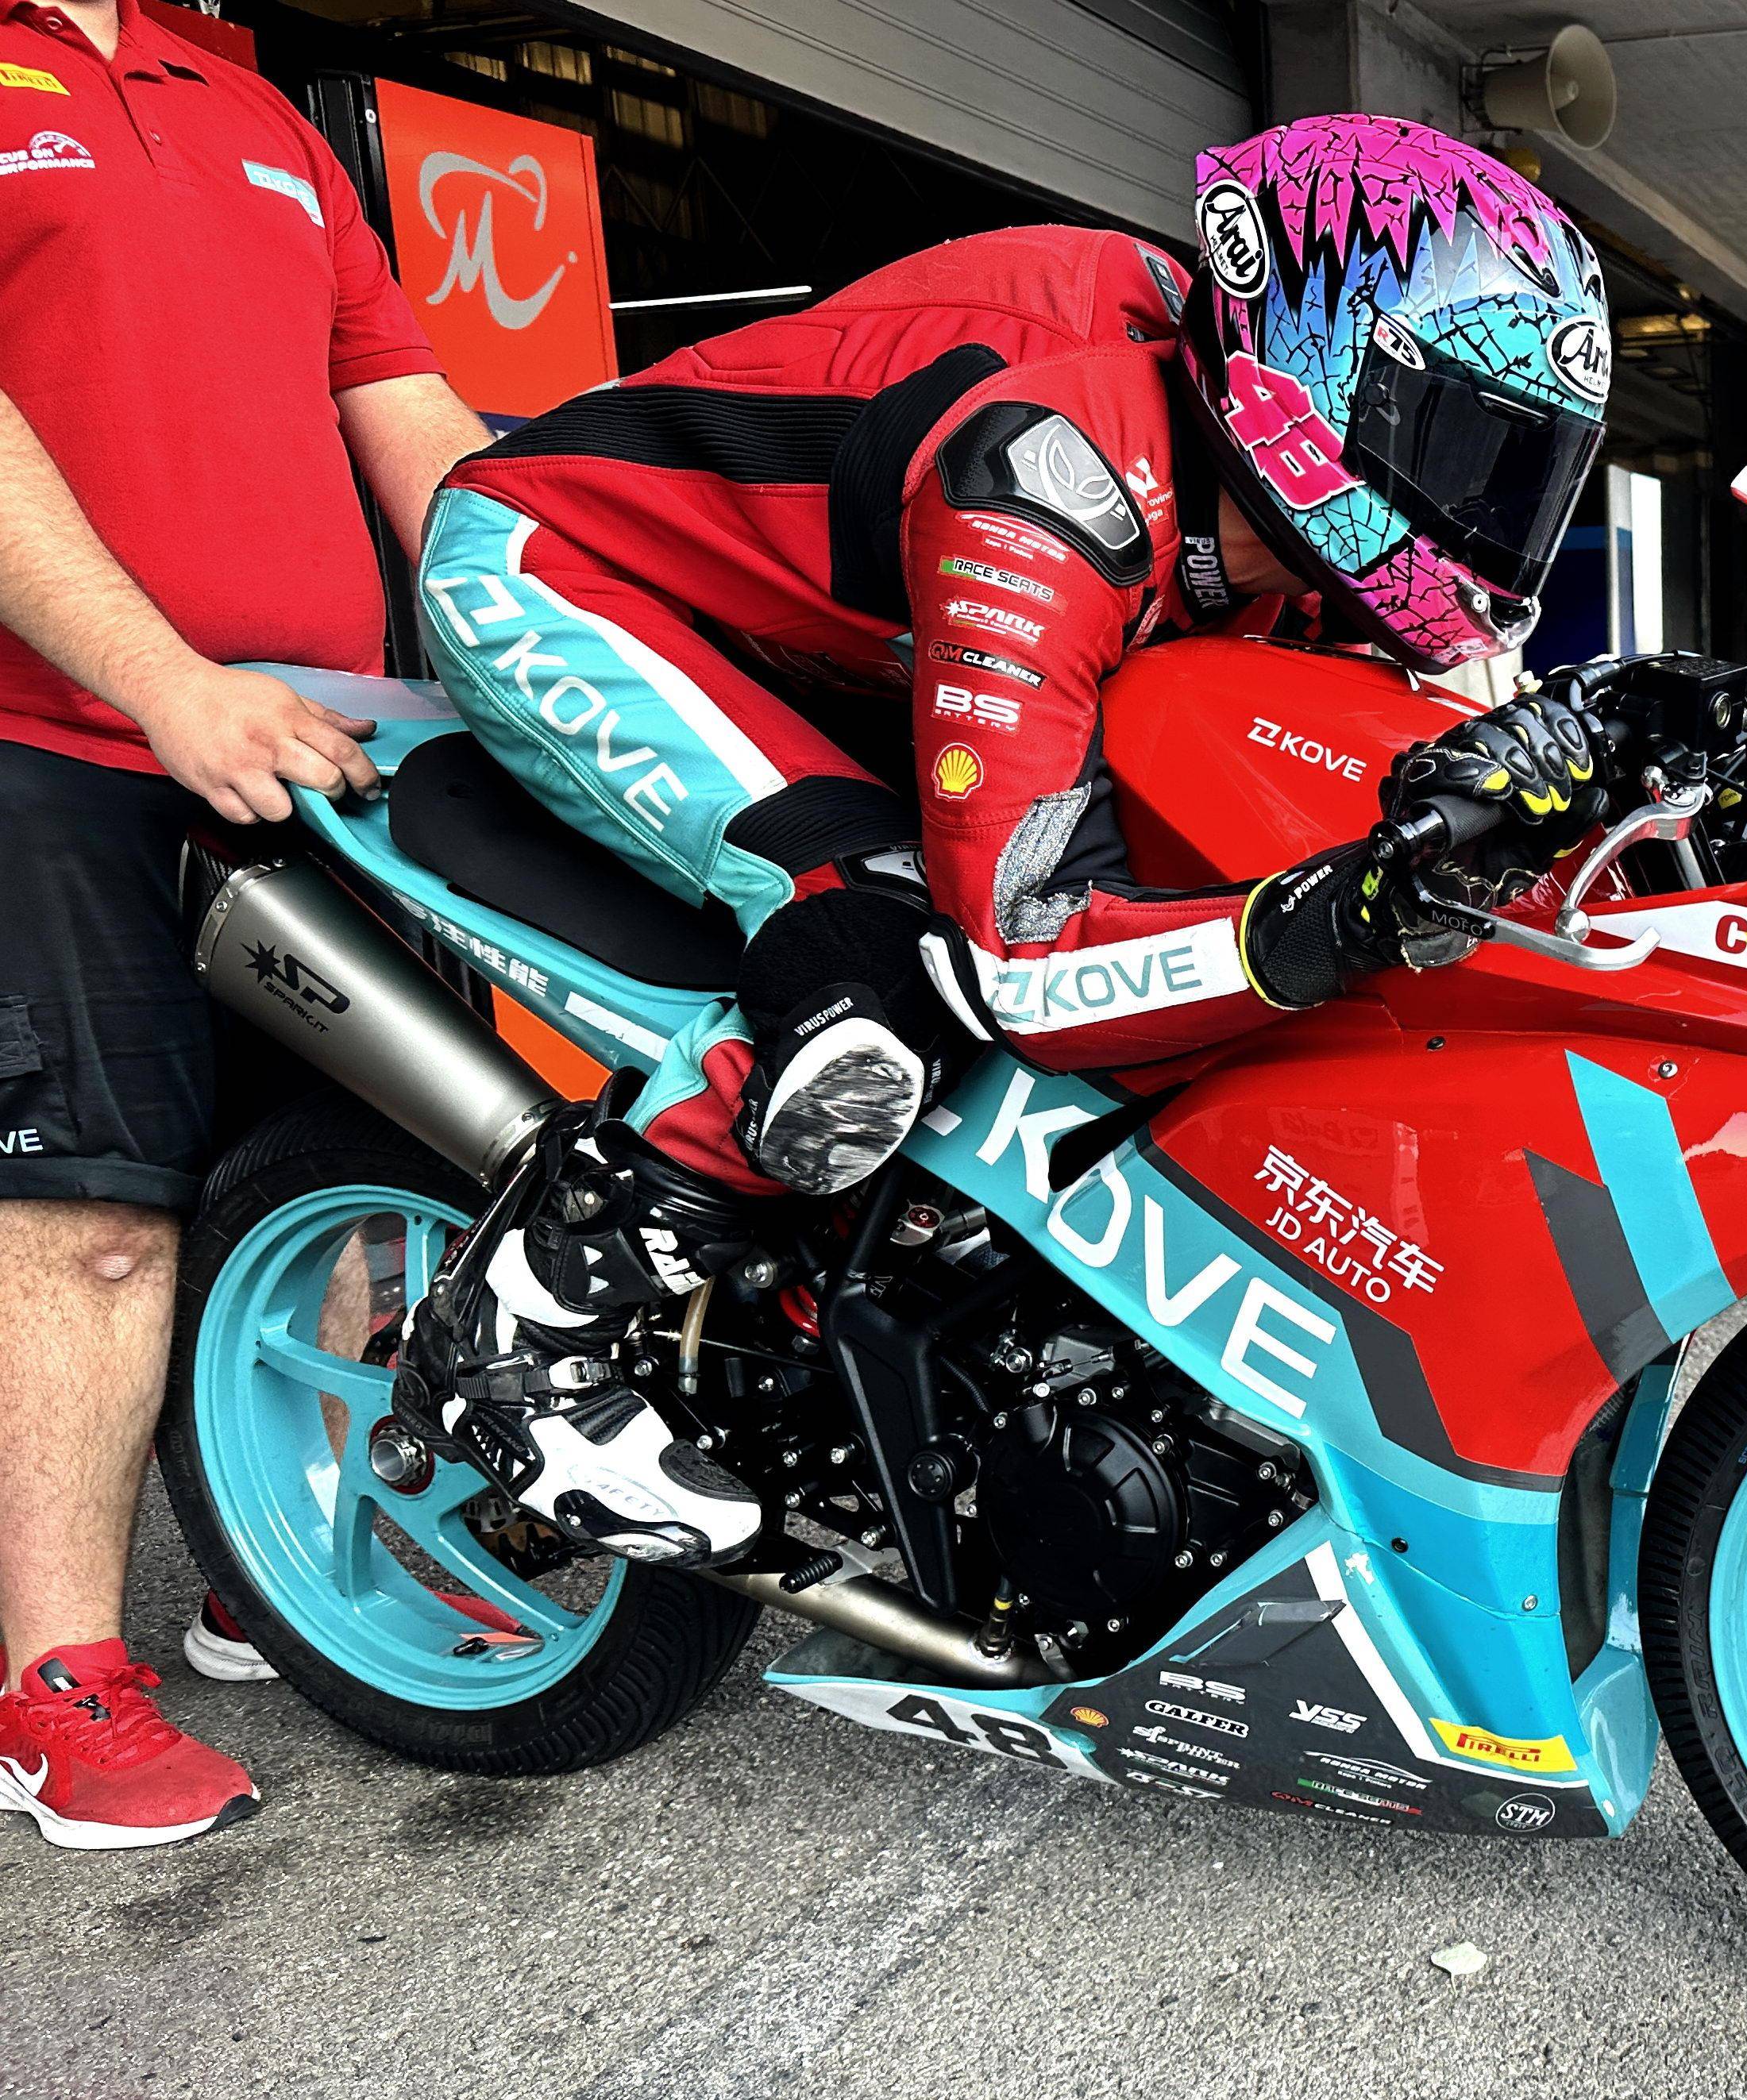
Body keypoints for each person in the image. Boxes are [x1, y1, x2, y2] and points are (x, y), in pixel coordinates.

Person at [399, 115, 1610, 1570]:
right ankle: (528, 1315)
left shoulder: (1267, 517)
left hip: (817, 644)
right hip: (566, 571)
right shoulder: (1051, 470)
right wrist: (1336, 919)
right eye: (1467, 451)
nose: (1486, 514)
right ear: (1323, 369)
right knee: (885, 946)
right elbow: (1027, 958)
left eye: (1525, 473)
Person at [0, 0, 488, 1847]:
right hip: (56, 737)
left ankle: (280, 1562)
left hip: (325, 743)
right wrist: (163, 683)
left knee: (341, 1185)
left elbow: (409, 410)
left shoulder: (249, 101)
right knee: (95, 1219)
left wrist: (561, 645)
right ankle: (57, 1681)